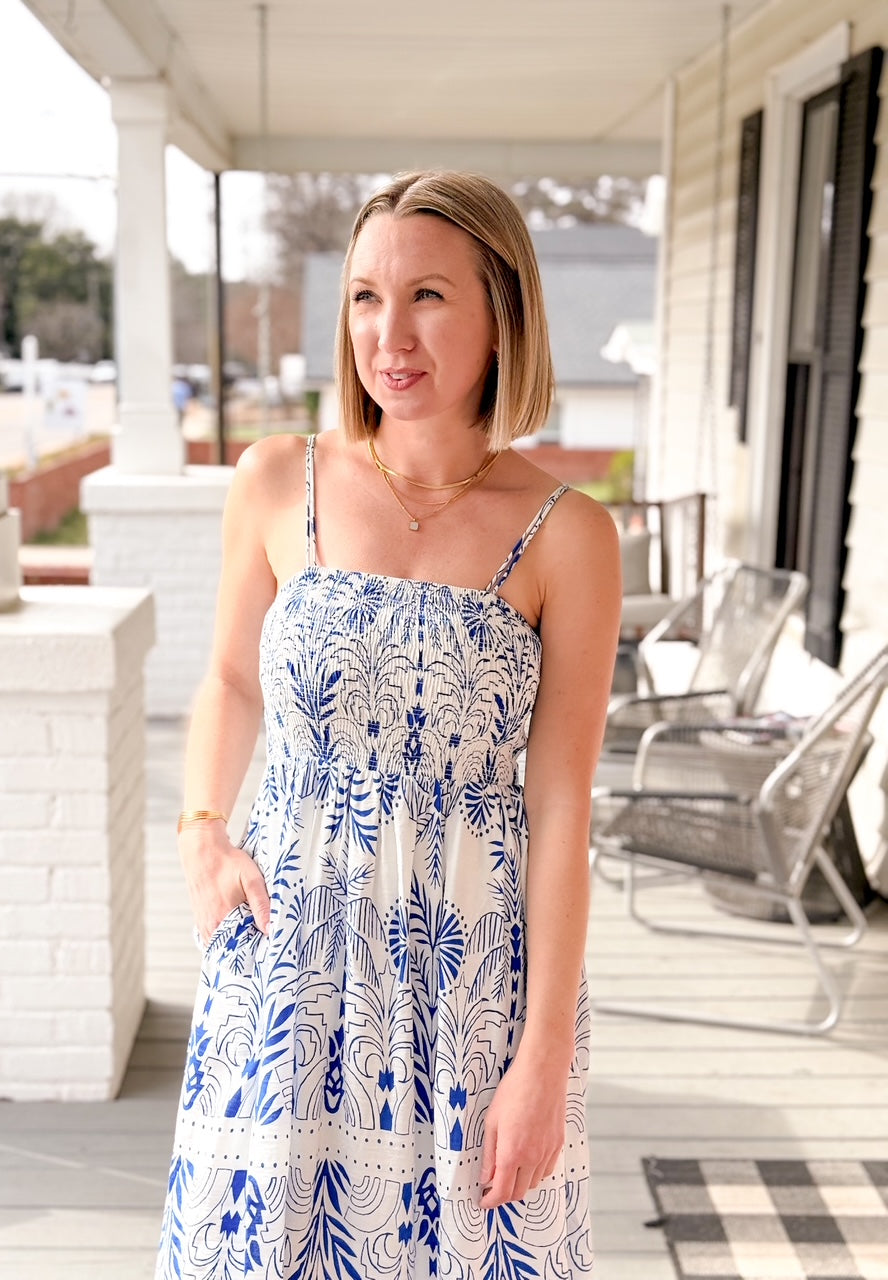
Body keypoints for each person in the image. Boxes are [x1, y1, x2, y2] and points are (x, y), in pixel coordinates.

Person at [155, 170, 621, 1279]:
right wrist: (201, 830)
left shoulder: (570, 535)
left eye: (428, 296)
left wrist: (544, 1052)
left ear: (502, 313)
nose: (388, 334)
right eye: (365, 296)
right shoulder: (279, 479)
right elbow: (229, 679)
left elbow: (561, 803)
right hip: (289, 962)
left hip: (471, 984)